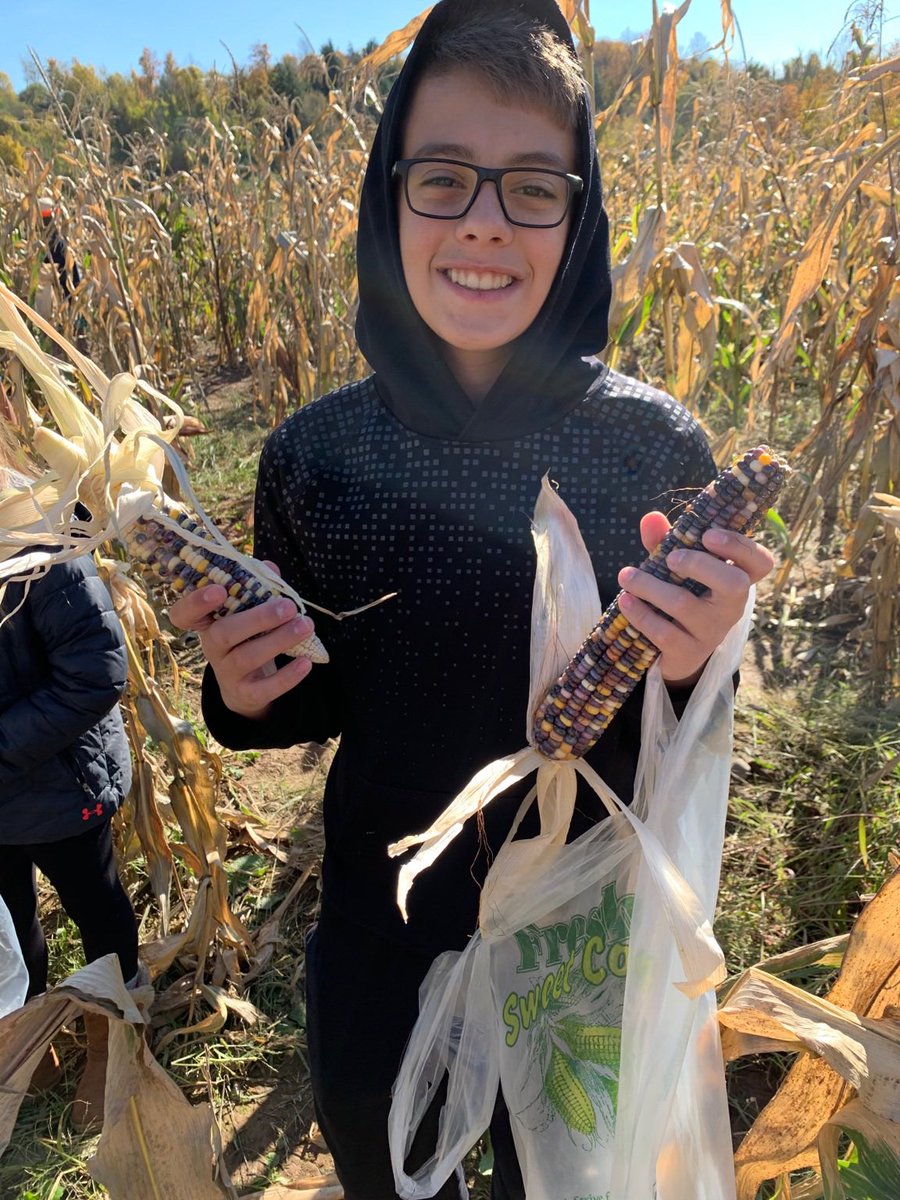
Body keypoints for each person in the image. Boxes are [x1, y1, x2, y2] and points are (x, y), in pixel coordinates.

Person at [170, 1, 774, 1195]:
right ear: (387, 197)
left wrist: (700, 659)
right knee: (388, 1166)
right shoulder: (312, 457)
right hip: (384, 919)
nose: (485, 223)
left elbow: (685, 716)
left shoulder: (653, 448)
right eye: (443, 178)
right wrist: (245, 690)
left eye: (532, 188)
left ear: (579, 214)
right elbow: (310, 704)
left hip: (584, 924)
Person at [0, 420, 139, 1133]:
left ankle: (113, 1036)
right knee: (10, 919)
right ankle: (32, 1036)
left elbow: (96, 673)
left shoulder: (35, 528)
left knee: (96, 906)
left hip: (58, 785)